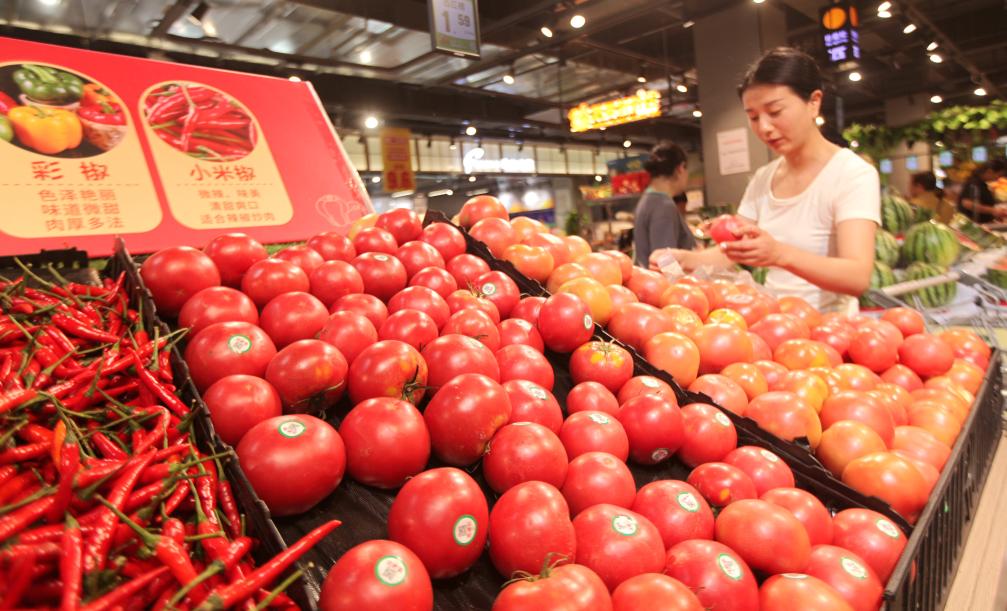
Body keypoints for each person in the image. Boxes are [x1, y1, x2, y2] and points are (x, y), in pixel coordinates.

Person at [650, 47, 880, 312]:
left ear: (814, 102)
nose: (765, 127)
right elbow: (731, 252)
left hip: (828, 331)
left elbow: (857, 276)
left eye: (775, 111)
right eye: (753, 117)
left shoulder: (852, 174)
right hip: (773, 324)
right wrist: (686, 259)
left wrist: (780, 254)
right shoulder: (764, 178)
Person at [632, 142, 696, 266]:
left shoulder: (647, 200)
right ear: (681, 168)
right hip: (663, 284)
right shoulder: (663, 206)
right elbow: (665, 265)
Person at [957, 159, 1007, 224]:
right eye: (998, 175)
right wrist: (993, 210)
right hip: (973, 226)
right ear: (990, 172)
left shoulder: (981, 184)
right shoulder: (974, 183)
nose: (998, 178)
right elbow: (967, 203)